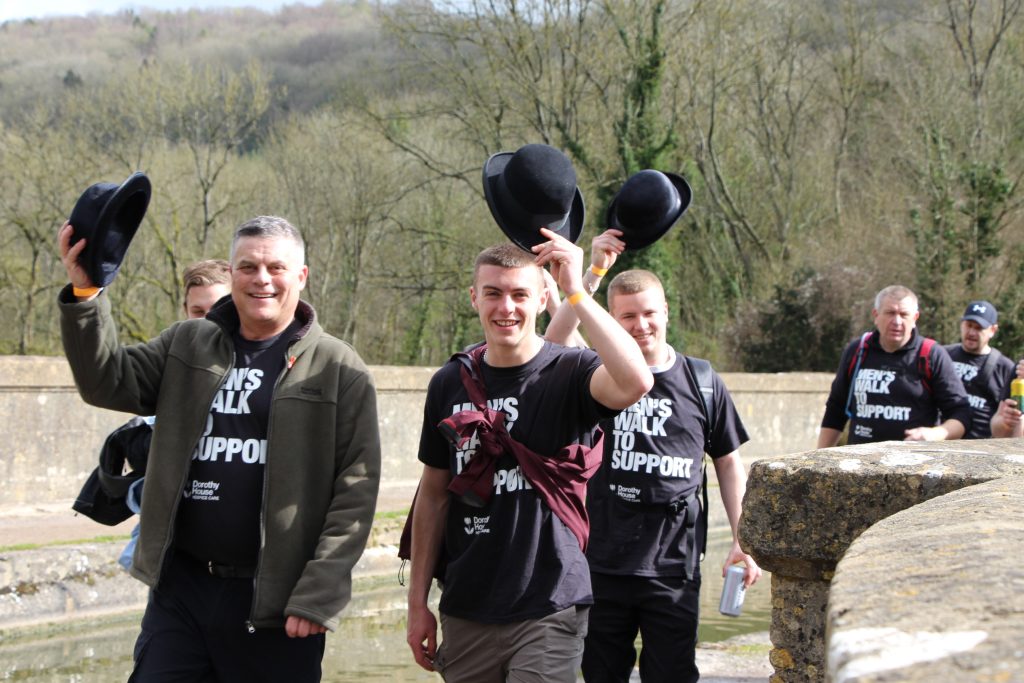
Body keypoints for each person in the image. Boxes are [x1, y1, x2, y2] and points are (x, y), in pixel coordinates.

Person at [58, 215, 381, 682]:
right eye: (247, 266)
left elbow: (356, 488)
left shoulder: (337, 367)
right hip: (181, 591)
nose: (262, 278)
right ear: (231, 275)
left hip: (276, 603)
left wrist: (320, 591)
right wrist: (87, 294)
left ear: (302, 276)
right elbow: (106, 381)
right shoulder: (186, 343)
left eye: (276, 267)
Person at [405, 233, 654, 683]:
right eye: (493, 293)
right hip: (467, 607)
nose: (506, 308)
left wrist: (578, 287)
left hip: (550, 604)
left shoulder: (571, 371)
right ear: (473, 298)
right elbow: (433, 497)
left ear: (542, 298)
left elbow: (636, 381)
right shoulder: (449, 382)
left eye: (520, 294)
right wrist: (416, 604)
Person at [545, 232, 761, 683]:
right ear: (611, 319)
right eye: (626, 317)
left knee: (673, 674)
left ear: (666, 313)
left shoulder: (702, 381)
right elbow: (556, 337)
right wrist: (590, 274)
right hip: (601, 561)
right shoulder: (596, 372)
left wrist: (743, 539)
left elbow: (727, 462)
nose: (640, 325)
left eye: (648, 314)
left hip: (673, 563)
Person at [117, 259, 234, 570]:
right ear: (185, 311)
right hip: (174, 547)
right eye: (198, 312)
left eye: (220, 308)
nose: (209, 322)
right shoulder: (171, 359)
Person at [818, 285, 971, 446]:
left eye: (904, 314)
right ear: (876, 315)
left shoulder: (932, 354)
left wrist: (935, 433)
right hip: (860, 461)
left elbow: (962, 414)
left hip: (914, 463)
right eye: (890, 313)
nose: (897, 321)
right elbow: (836, 409)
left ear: (915, 318)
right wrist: (819, 458)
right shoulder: (858, 350)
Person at [943, 301, 1015, 439]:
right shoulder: (943, 355)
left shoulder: (1005, 368)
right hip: (942, 443)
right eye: (968, 325)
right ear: (961, 324)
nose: (971, 332)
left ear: (993, 330)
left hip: (981, 449)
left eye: (979, 328)